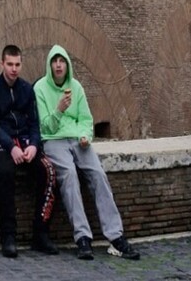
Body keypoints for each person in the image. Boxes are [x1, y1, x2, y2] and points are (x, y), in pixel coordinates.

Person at [34, 44, 140, 262]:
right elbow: (44, 127)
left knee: (98, 174)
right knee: (69, 176)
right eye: (54, 61)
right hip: (54, 141)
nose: (58, 65)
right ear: (49, 65)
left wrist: (85, 136)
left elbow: (85, 119)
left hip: (78, 141)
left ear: (67, 64)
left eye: (62, 61)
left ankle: (116, 236)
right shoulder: (40, 89)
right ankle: (82, 237)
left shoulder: (77, 87)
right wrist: (59, 109)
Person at [0, 44, 58, 257]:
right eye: (10, 64)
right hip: (1, 143)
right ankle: (8, 236)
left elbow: (34, 123)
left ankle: (41, 232)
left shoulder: (27, 90)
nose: (14, 69)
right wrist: (11, 147)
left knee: (48, 171)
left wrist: (33, 145)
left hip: (26, 142)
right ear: (2, 64)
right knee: (5, 174)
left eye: (17, 64)